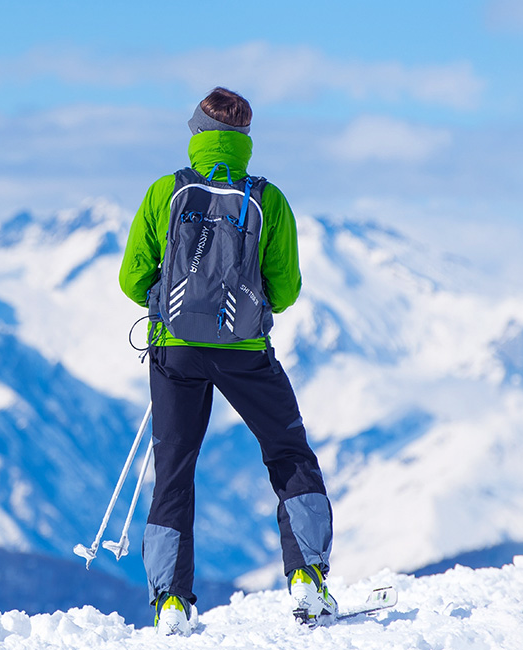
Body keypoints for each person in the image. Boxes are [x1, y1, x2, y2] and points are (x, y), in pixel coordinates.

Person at [117, 87, 335, 635]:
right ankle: (307, 576)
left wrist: (169, 305)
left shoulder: (165, 193)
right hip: (244, 353)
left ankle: (171, 602)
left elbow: (130, 278)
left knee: (175, 468)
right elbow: (285, 288)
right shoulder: (268, 198)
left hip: (175, 350)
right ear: (246, 140)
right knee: (287, 452)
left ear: (195, 133)